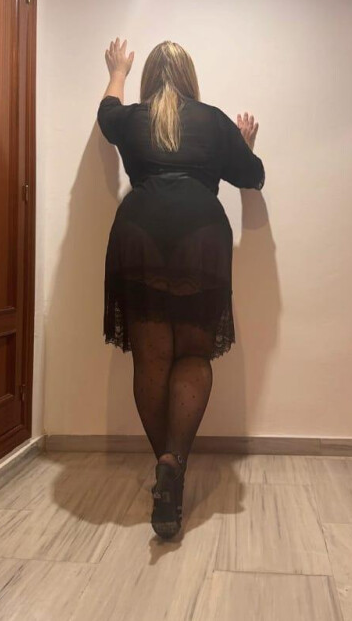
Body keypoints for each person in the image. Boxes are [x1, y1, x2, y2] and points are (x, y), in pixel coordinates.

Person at [97, 38, 265, 539]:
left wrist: (118, 70)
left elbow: (106, 116)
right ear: (191, 78)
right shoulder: (213, 121)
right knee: (193, 354)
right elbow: (252, 177)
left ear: (150, 78)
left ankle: (165, 469)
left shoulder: (134, 118)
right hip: (200, 236)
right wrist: (243, 146)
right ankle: (175, 462)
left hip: (140, 232)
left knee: (151, 359)